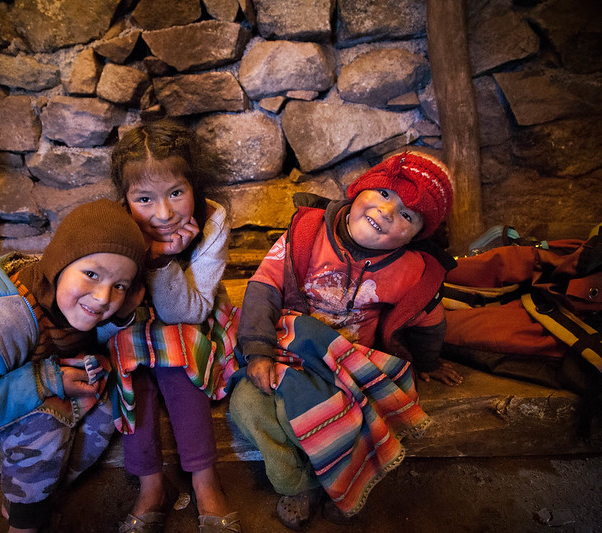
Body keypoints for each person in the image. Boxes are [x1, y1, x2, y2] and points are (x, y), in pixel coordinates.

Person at [229, 150, 463, 530]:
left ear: (418, 234)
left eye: (407, 214)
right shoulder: (306, 235)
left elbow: (428, 320)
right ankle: (299, 484)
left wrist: (430, 362)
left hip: (349, 366)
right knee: (247, 408)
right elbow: (262, 289)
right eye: (385, 194)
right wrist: (258, 351)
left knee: (349, 419)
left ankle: (340, 484)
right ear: (359, 190)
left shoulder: (412, 271)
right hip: (288, 352)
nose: (388, 212)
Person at [0, 199, 146, 533]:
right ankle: (24, 524)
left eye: (119, 286)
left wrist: (124, 313)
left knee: (114, 397)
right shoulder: (4, 318)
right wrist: (50, 379)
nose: (102, 297)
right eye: (91, 274)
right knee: (47, 423)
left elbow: (94, 334)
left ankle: (38, 493)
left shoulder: (67, 299)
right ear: (58, 264)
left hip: (17, 379)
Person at [108, 119, 241, 533]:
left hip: (191, 319)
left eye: (176, 193)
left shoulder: (212, 220)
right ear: (124, 198)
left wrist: (164, 260)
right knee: (129, 363)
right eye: (144, 198)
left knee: (173, 354)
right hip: (127, 321)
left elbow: (187, 312)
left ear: (195, 187)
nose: (163, 213)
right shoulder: (112, 223)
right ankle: (151, 484)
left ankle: (204, 480)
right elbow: (105, 309)